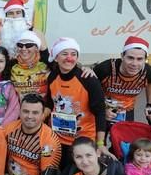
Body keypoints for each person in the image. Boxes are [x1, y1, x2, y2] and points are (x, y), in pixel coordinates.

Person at [44, 37, 111, 166]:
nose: (69, 58)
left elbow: (100, 113)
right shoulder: (52, 77)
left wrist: (100, 144)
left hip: (82, 142)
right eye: (64, 54)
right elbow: (50, 105)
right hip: (57, 139)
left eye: (73, 54)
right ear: (56, 57)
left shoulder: (88, 79)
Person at [1, 94, 61, 175]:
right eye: (26, 111)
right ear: (20, 111)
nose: (29, 116)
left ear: (42, 114)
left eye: (35, 113)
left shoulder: (49, 140)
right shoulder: (10, 128)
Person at [94, 36, 151, 126]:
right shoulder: (105, 69)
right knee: (99, 139)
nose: (134, 64)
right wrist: (101, 109)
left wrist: (150, 105)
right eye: (130, 58)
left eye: (140, 59)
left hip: (127, 109)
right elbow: (89, 90)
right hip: (102, 107)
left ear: (145, 59)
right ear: (122, 56)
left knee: (124, 139)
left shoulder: (149, 72)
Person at [9, 30, 51, 100]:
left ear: (37, 48)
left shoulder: (47, 64)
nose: (24, 49)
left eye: (29, 45)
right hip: (18, 109)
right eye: (20, 45)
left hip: (42, 109)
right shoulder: (11, 65)